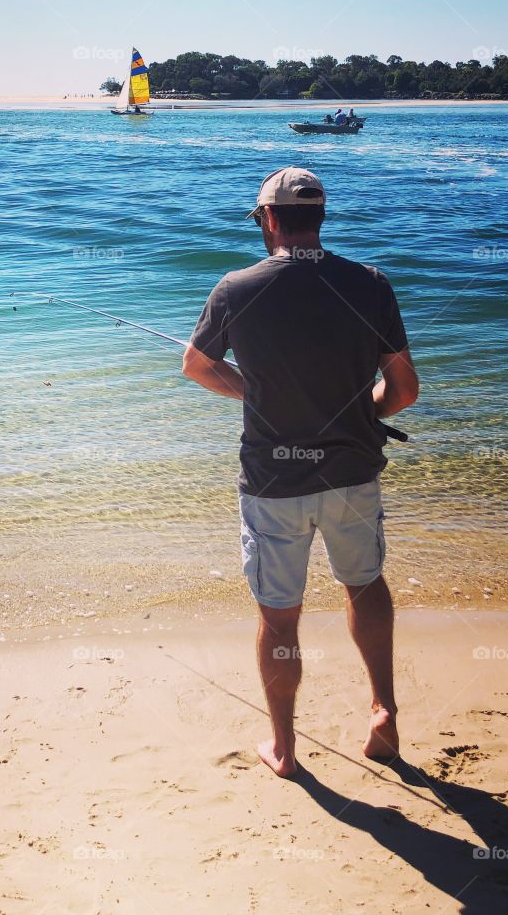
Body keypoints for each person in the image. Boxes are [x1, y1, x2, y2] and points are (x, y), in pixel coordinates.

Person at [181, 168, 419, 778]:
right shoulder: (369, 283)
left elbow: (197, 366)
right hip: (353, 475)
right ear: (320, 217)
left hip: (273, 483)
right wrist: (359, 408)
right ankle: (384, 713)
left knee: (279, 614)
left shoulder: (236, 287)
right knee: (365, 585)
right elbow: (404, 390)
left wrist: (253, 395)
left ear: (268, 219)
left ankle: (285, 748)